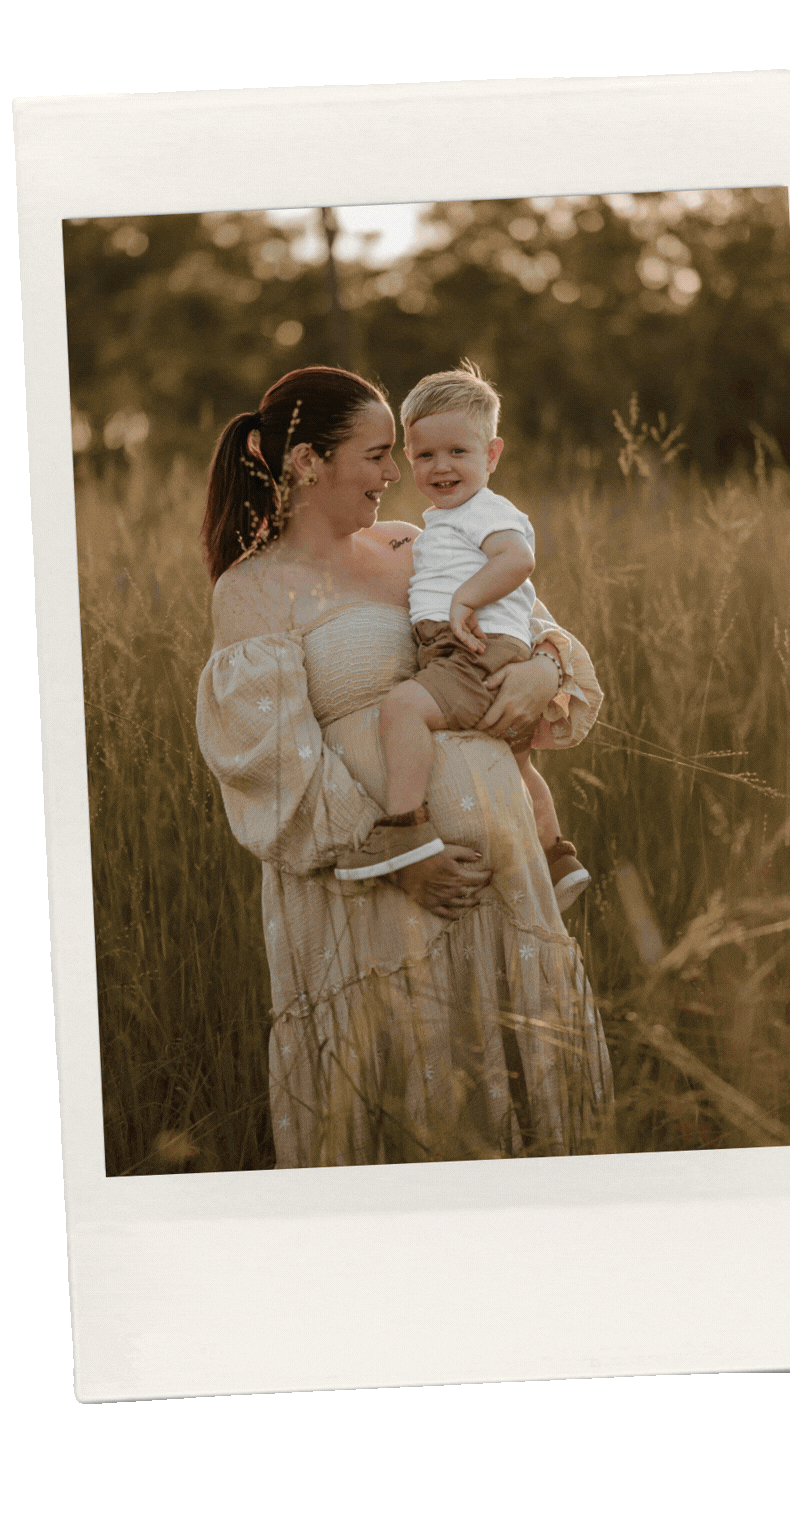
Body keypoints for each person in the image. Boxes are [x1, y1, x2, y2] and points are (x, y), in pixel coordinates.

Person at [196, 365, 612, 1167]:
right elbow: (274, 764)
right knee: (406, 1091)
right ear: (309, 462)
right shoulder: (253, 590)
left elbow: (537, 630)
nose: (398, 476)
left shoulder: (421, 544)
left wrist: (542, 674)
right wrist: (396, 854)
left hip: (503, 884)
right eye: (379, 456)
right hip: (379, 895)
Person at [333, 364, 591, 912]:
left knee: (403, 708)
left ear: (492, 456)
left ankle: (404, 826)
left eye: (459, 452)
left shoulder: (486, 511)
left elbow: (519, 559)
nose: (441, 466)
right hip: (475, 650)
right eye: (425, 455)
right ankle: (556, 855)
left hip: (474, 651)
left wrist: (465, 599)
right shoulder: (439, 524)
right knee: (519, 766)